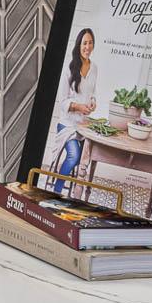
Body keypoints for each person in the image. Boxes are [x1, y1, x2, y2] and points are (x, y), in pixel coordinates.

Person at [42, 28, 96, 195]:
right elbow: (63, 102)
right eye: (84, 43)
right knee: (74, 156)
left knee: (82, 159)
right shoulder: (69, 68)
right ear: (79, 45)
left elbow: (92, 93)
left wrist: (93, 103)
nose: (87, 46)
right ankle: (57, 191)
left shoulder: (94, 68)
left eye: (90, 43)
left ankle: (71, 190)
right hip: (67, 125)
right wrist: (79, 107)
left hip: (83, 126)